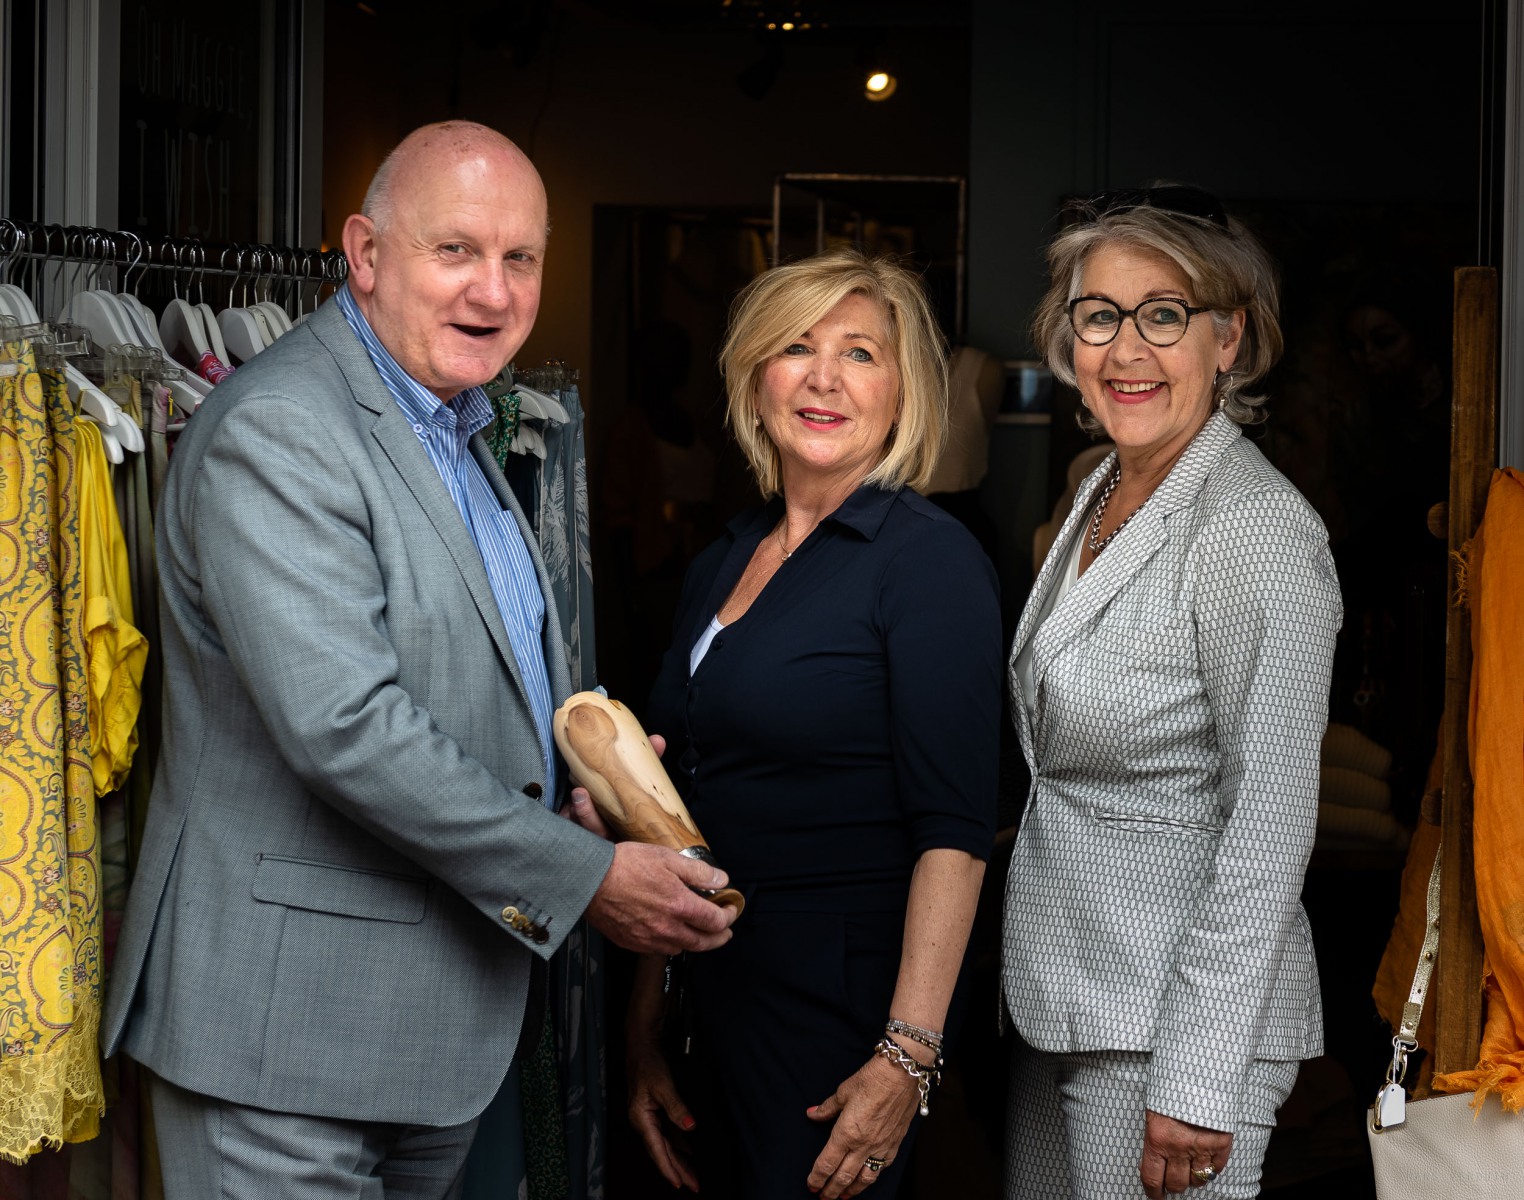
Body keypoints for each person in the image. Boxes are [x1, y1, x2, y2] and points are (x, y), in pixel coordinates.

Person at [101, 121, 736, 1199]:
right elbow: (345, 726)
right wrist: (580, 877)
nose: (493, 290)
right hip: (286, 1042)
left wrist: (577, 791)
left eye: (520, 257)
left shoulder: (457, 426)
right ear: (364, 253)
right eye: (456, 250)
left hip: (423, 1032)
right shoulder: (283, 429)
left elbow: (471, 681)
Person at [571, 248, 1001, 1199]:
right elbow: (674, 816)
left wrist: (907, 1059)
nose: (823, 378)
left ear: (901, 391)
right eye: (797, 346)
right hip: (704, 1008)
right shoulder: (723, 556)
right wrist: (644, 1027)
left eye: (860, 353)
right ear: (754, 376)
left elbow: (957, 834)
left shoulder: (929, 563)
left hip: (836, 1026)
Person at [1001, 186, 1342, 1200]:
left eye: (1164, 315)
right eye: (1099, 315)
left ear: (1229, 337)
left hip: (1176, 1037)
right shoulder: (1103, 485)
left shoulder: (1258, 534)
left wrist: (1198, 1076)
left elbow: (1270, 828)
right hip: (1070, 1002)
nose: (1126, 349)